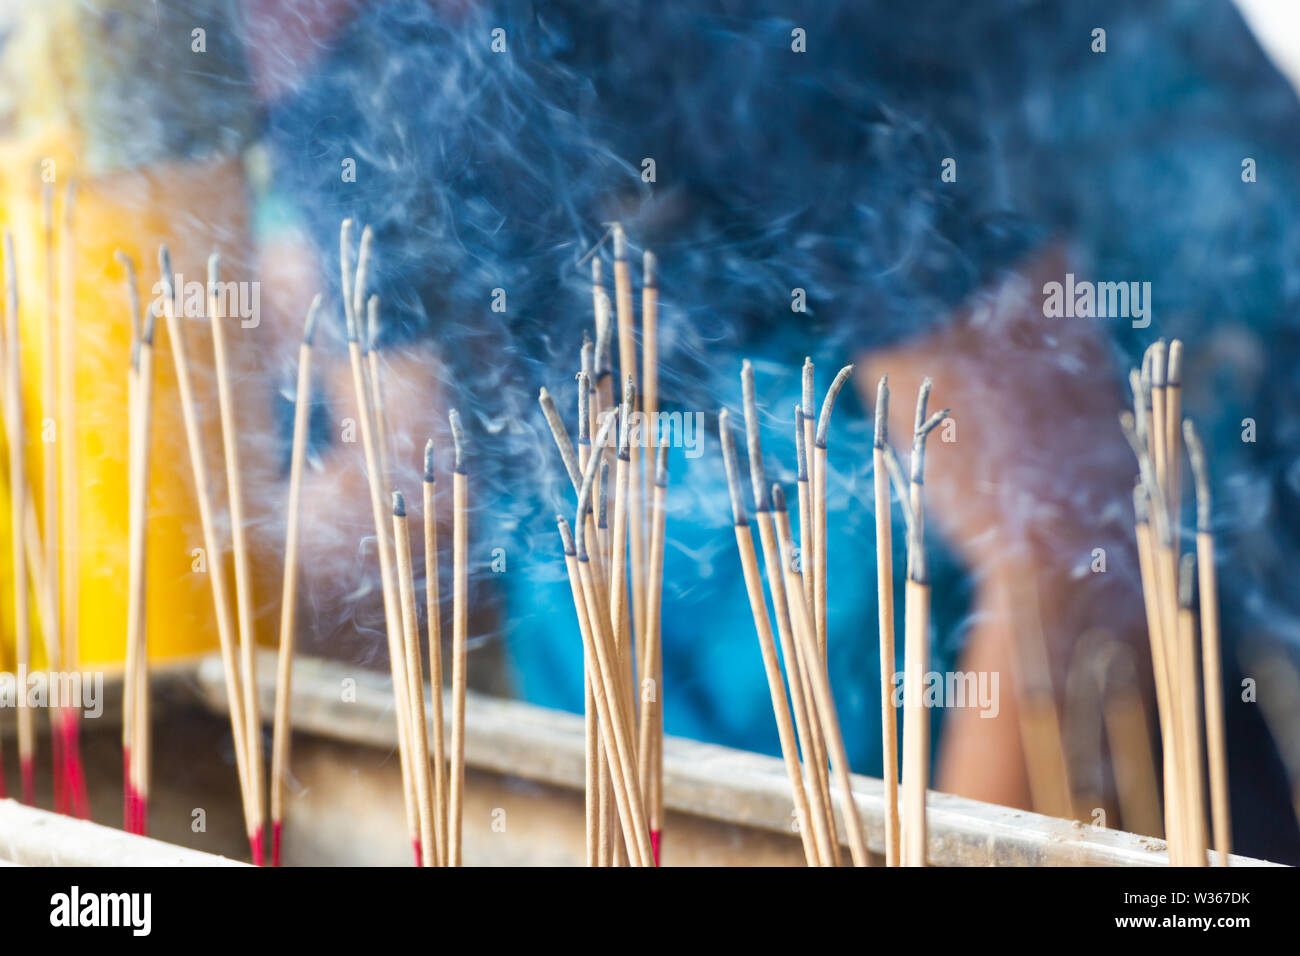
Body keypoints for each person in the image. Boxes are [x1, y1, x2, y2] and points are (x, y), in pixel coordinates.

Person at [238, 0, 1300, 861]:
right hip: (669, 782)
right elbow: (413, 492)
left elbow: (1068, 538)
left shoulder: (748, 32)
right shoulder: (339, 85)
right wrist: (198, 573)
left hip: (1013, 768)